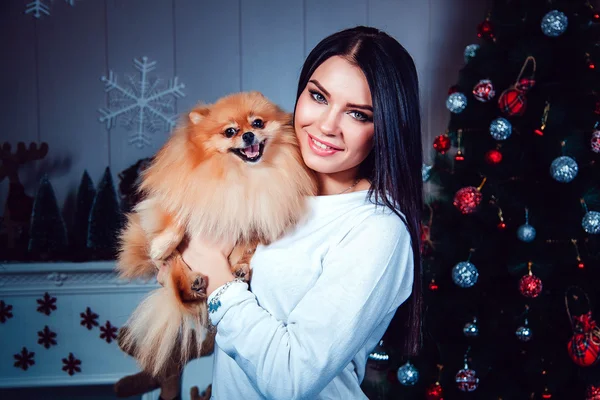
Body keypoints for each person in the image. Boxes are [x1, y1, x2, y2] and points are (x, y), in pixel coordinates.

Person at [159, 25, 423, 399]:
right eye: (318, 96)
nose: (327, 125)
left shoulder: (377, 230)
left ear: (386, 129)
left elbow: (289, 380)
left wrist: (214, 270)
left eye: (359, 115)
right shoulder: (268, 189)